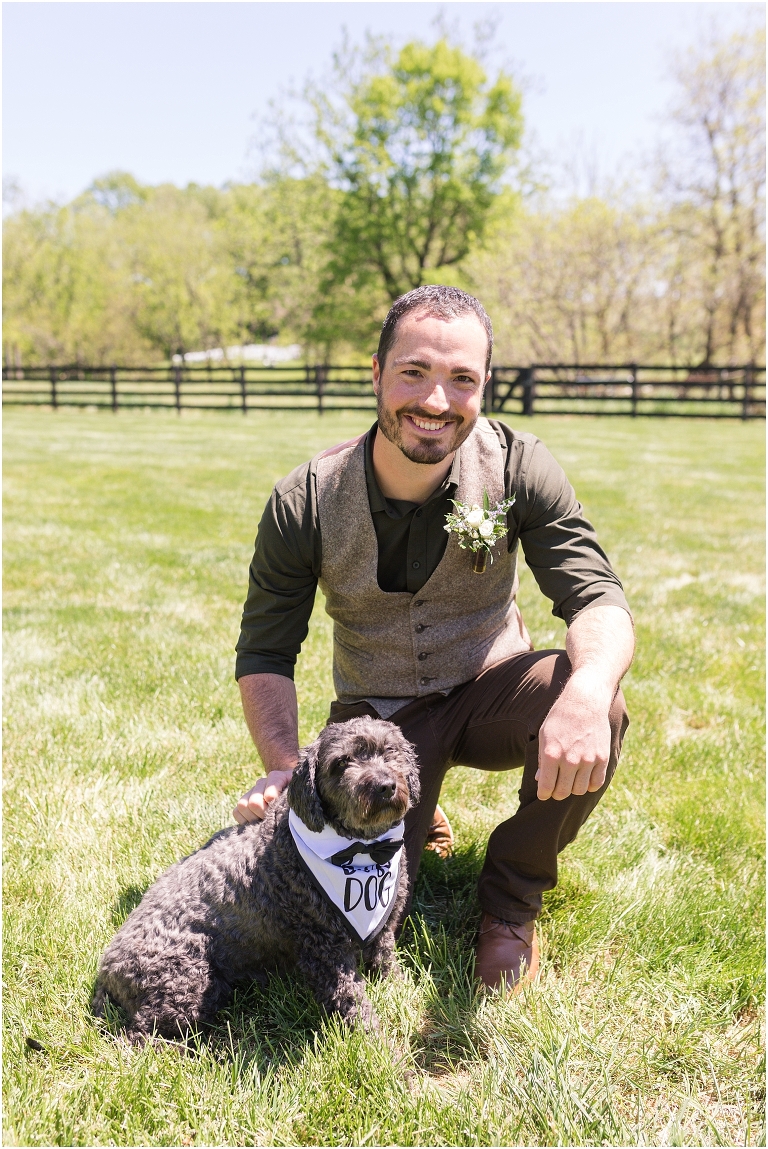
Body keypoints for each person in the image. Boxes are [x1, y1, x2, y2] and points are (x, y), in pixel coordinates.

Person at [233, 285, 634, 991]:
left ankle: (510, 902)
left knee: (597, 701)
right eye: (414, 372)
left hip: (490, 686)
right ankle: (419, 799)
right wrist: (285, 766)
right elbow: (267, 650)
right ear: (378, 374)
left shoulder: (518, 464)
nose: (437, 401)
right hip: (380, 718)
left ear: (484, 386)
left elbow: (597, 596)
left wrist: (591, 687)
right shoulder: (304, 499)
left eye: (462, 379)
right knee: (345, 917)